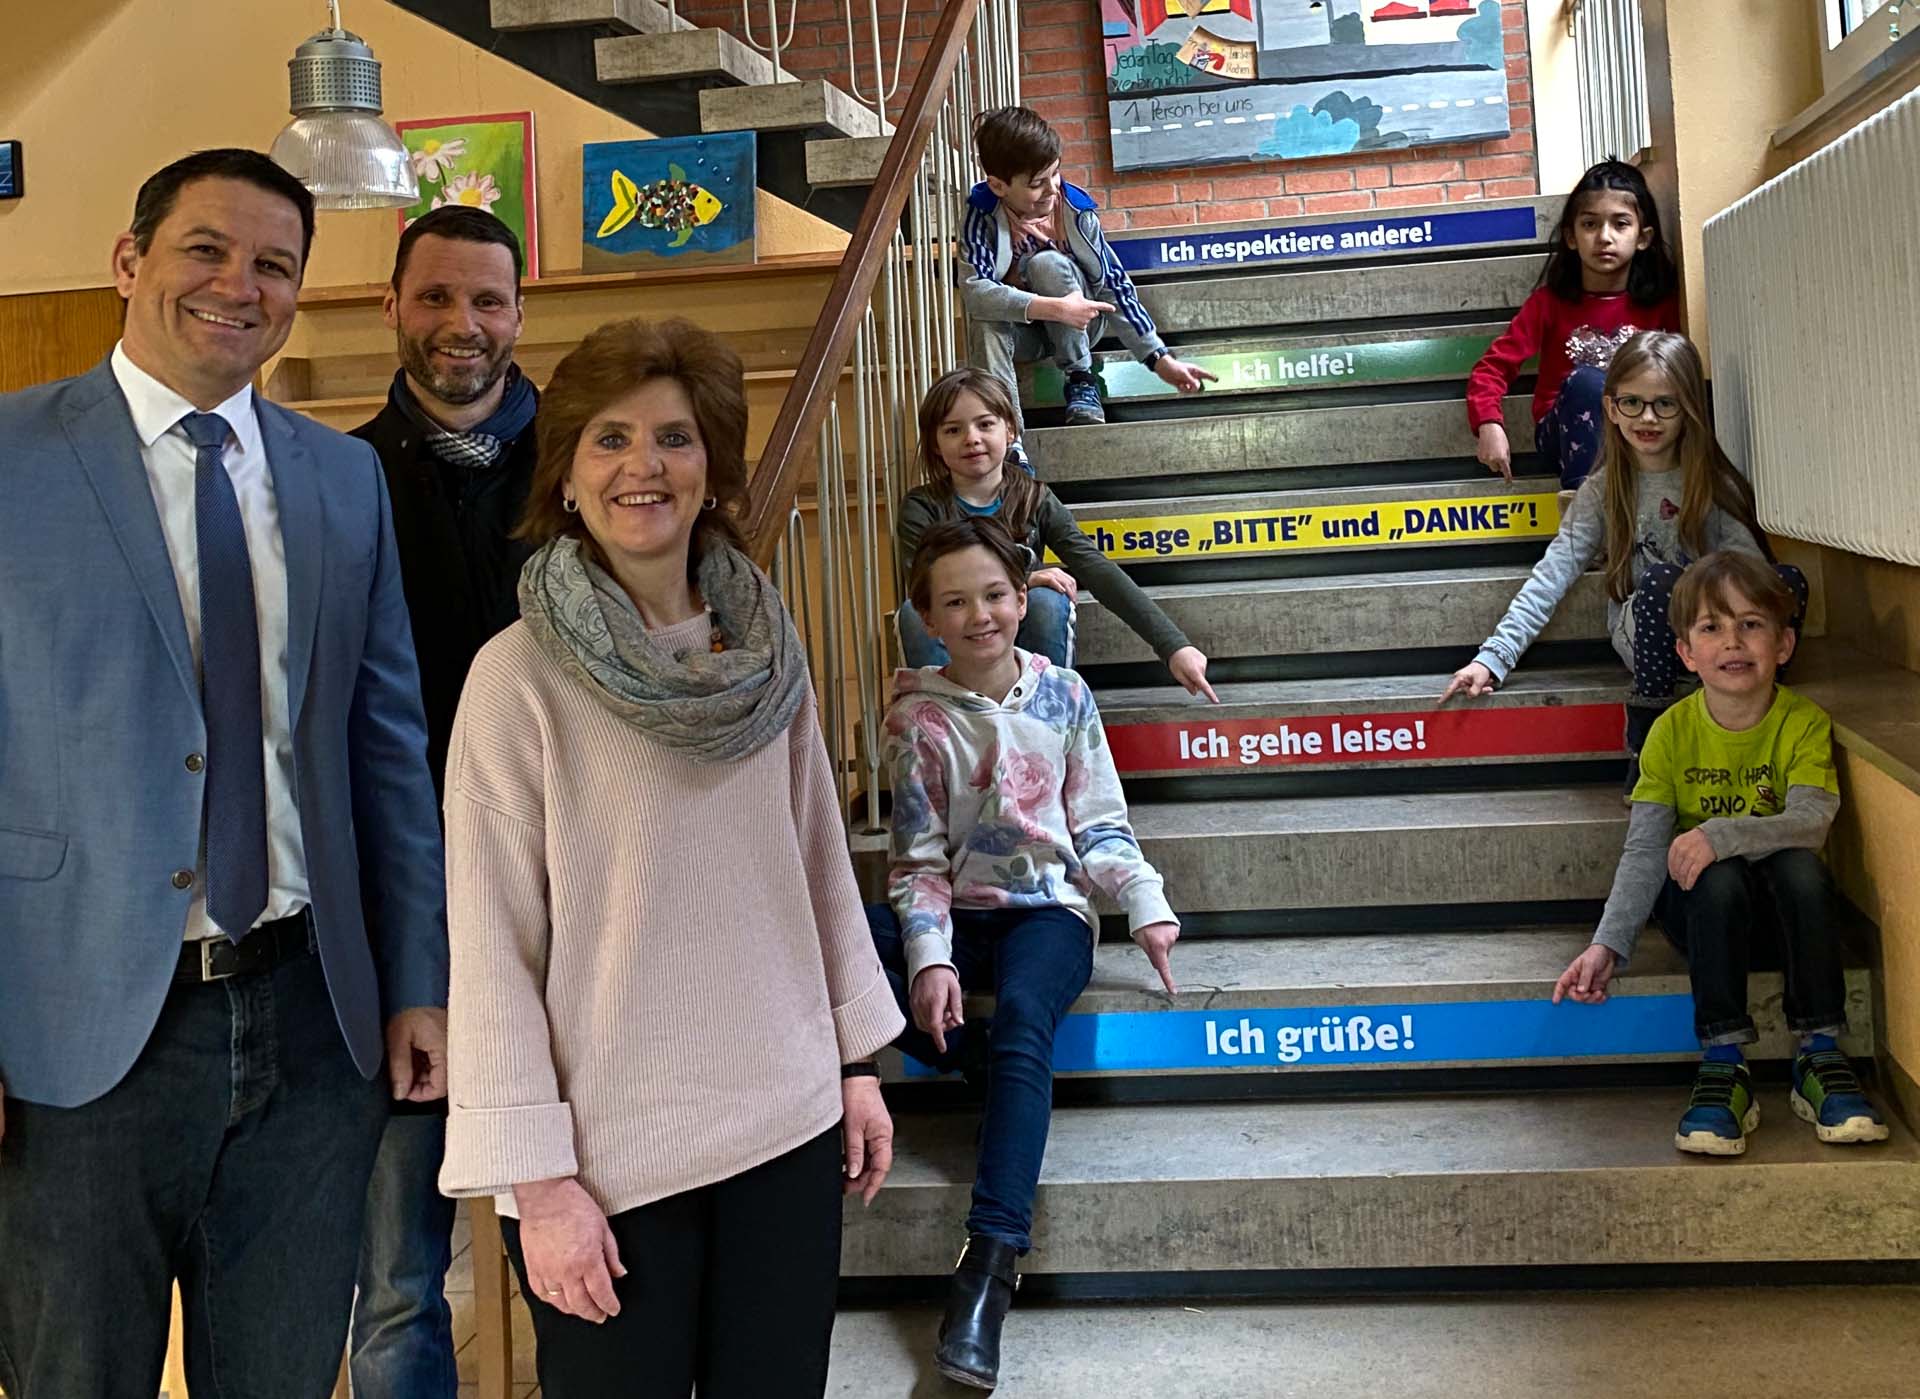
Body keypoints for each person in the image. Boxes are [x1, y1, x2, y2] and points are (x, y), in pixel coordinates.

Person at [0, 149, 447, 1398]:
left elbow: (387, 747)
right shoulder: (11, 458)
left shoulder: (343, 477)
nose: (238, 284)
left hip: (311, 1026)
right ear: (129, 261)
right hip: (73, 1039)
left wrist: (418, 980)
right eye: (206, 249)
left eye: (274, 265)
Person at [437, 316, 903, 1398]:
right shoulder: (516, 679)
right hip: (609, 1164)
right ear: (565, 476)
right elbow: (492, 948)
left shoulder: (767, 648)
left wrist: (853, 1066)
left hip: (786, 1120)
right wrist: (539, 1184)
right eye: (609, 438)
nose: (641, 464)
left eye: (673, 437)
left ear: (712, 469)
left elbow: (817, 863)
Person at [867, 516, 1182, 1390]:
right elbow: (917, 861)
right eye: (955, 602)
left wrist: (1145, 904)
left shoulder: (1066, 694)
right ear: (928, 617)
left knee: (1025, 1018)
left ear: (1022, 597)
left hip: (1049, 914)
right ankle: (985, 1066)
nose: (979, 615)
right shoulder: (916, 718)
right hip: (958, 916)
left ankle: (990, 1263)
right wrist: (930, 958)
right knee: (839, 943)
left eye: (995, 595)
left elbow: (1101, 824)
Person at [347, 204, 537, 1398]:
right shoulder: (339, 477)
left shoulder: (588, 468)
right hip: (397, 920)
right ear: (392, 307)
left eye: (486, 299)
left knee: (577, 1246)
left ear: (519, 313)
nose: (461, 323)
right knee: (397, 1279)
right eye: (435, 297)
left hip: (559, 909)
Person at [1551, 550, 1889, 1155]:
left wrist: (1717, 834)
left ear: (1783, 644)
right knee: (1716, 877)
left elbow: (1811, 821)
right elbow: (1645, 851)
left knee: (1800, 867)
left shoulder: (1803, 722)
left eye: (1751, 623)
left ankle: (1819, 1055)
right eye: (1712, 627)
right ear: (1686, 652)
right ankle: (1723, 1062)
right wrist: (1608, 944)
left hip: (1785, 918)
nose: (1733, 641)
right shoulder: (1670, 732)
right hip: (1706, 916)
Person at [1440, 332, 1808, 781]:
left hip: (1713, 633)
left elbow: (1753, 575)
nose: (1647, 417)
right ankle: (1648, 737)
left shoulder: (1712, 484)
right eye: (1632, 402)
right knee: (1662, 583)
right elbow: (1551, 576)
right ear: (1611, 409)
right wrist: (1493, 657)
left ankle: (1763, 721)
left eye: (1665, 404)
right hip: (1646, 632)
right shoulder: (1602, 491)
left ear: (1689, 408)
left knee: (1785, 582)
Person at [896, 366, 1218, 702]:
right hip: (959, 637)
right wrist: (1025, 579)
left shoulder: (1034, 499)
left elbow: (1096, 568)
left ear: (1010, 430)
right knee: (915, 613)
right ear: (935, 444)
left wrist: (1173, 646)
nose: (971, 438)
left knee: (1048, 601)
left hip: (1018, 644)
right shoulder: (923, 507)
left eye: (985, 424)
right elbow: (925, 586)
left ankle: (1047, 712)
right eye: (953, 430)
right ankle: (944, 716)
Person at [962, 105, 1215, 428]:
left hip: (1083, 325)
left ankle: (1081, 379)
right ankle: (1007, 437)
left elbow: (1114, 286)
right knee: (986, 322)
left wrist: (1159, 358)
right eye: (1037, 183)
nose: (1052, 188)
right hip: (1026, 334)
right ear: (999, 186)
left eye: (1055, 173)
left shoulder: (1075, 211)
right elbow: (976, 292)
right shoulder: (980, 215)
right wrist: (1054, 309)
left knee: (1046, 263)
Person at [1466, 159, 1681, 489]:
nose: (1604, 237)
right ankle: (1585, 508)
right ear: (1571, 236)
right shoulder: (1549, 304)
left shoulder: (1661, 306)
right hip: (1565, 436)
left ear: (1643, 237)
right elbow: (1492, 368)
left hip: (1639, 430)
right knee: (1586, 382)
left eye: (1620, 224)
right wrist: (1488, 424)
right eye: (1590, 224)